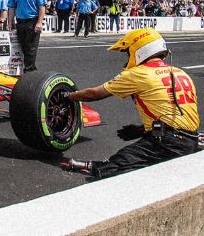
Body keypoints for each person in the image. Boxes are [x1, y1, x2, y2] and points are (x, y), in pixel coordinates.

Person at [61, 29, 199, 179]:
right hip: (191, 139)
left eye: (128, 52)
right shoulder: (180, 72)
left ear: (139, 50)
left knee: (110, 170)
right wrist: (141, 130)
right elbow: (177, 115)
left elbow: (94, 94)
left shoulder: (138, 73)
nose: (128, 58)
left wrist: (67, 96)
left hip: (168, 143)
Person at [7, 0, 45, 72]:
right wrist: (10, 22)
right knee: (23, 47)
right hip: (20, 23)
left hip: (32, 22)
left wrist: (39, 22)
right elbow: (11, 8)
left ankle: (29, 71)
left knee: (31, 48)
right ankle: (31, 70)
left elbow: (42, 7)